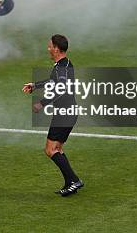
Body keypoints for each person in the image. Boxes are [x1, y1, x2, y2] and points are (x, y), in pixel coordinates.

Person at [22, 34, 84, 197]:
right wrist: (35, 85)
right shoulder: (64, 64)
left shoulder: (61, 68)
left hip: (64, 113)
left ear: (56, 48)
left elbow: (60, 89)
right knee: (57, 149)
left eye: (50, 46)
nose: (48, 49)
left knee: (50, 150)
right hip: (68, 112)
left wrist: (41, 103)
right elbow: (53, 82)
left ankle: (75, 180)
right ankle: (70, 183)